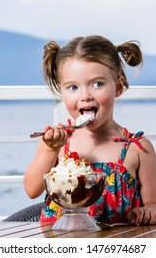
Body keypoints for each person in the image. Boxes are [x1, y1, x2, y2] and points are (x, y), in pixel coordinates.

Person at [24, 35, 156, 225]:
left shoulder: (138, 148)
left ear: (118, 87)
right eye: (73, 87)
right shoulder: (59, 143)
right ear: (61, 90)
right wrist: (49, 149)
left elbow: (153, 204)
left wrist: (148, 212)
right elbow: (32, 190)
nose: (85, 96)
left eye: (98, 84)